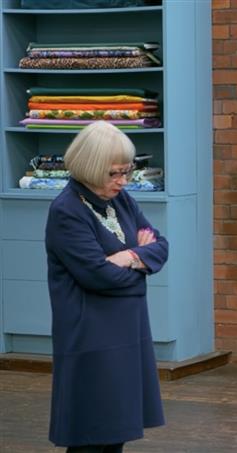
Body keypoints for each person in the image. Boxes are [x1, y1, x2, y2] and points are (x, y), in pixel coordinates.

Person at [45, 120, 169, 452]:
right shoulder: (67, 211)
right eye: (114, 173)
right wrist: (141, 264)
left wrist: (128, 256)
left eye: (126, 171)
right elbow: (98, 275)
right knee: (91, 434)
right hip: (91, 335)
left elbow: (160, 246)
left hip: (127, 331)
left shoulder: (121, 200)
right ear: (90, 167)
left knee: (116, 432)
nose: (123, 181)